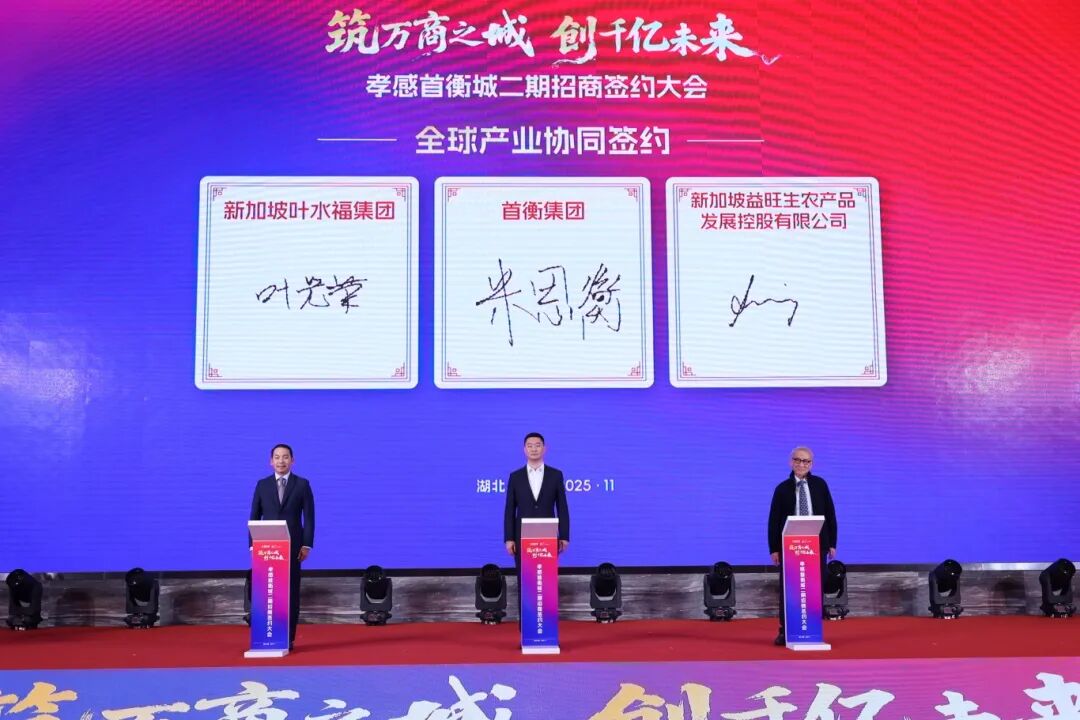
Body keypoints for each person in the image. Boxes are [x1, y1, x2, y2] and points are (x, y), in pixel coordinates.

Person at [767, 446, 837, 646]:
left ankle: (812, 629)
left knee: (815, 587)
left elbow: (830, 514)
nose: (801, 464)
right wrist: (774, 548)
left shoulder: (820, 485)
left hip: (817, 544)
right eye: (798, 460)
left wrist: (832, 543)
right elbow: (774, 520)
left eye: (806, 461)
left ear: (811, 464)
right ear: (791, 462)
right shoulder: (782, 488)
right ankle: (786, 631)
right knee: (789, 590)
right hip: (790, 547)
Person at [250, 443, 315, 649]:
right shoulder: (262, 485)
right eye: (277, 457)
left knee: (290, 592)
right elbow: (254, 515)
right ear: (271, 461)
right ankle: (267, 636)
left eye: (285, 457)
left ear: (292, 461)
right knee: (267, 592)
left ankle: (288, 637)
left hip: (293, 547)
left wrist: (307, 545)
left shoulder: (302, 484)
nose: (281, 461)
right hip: (266, 548)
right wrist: (252, 545)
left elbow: (309, 518)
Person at [504, 433, 570, 618]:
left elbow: (562, 507)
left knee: (546, 581)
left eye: (538, 445)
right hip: (522, 537)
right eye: (530, 445)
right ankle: (526, 628)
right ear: (524, 449)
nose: (534, 449)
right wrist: (509, 538)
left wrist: (564, 535)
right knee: (525, 581)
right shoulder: (515, 476)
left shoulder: (555, 475)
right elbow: (509, 509)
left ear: (544, 448)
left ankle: (546, 627)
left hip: (548, 536)